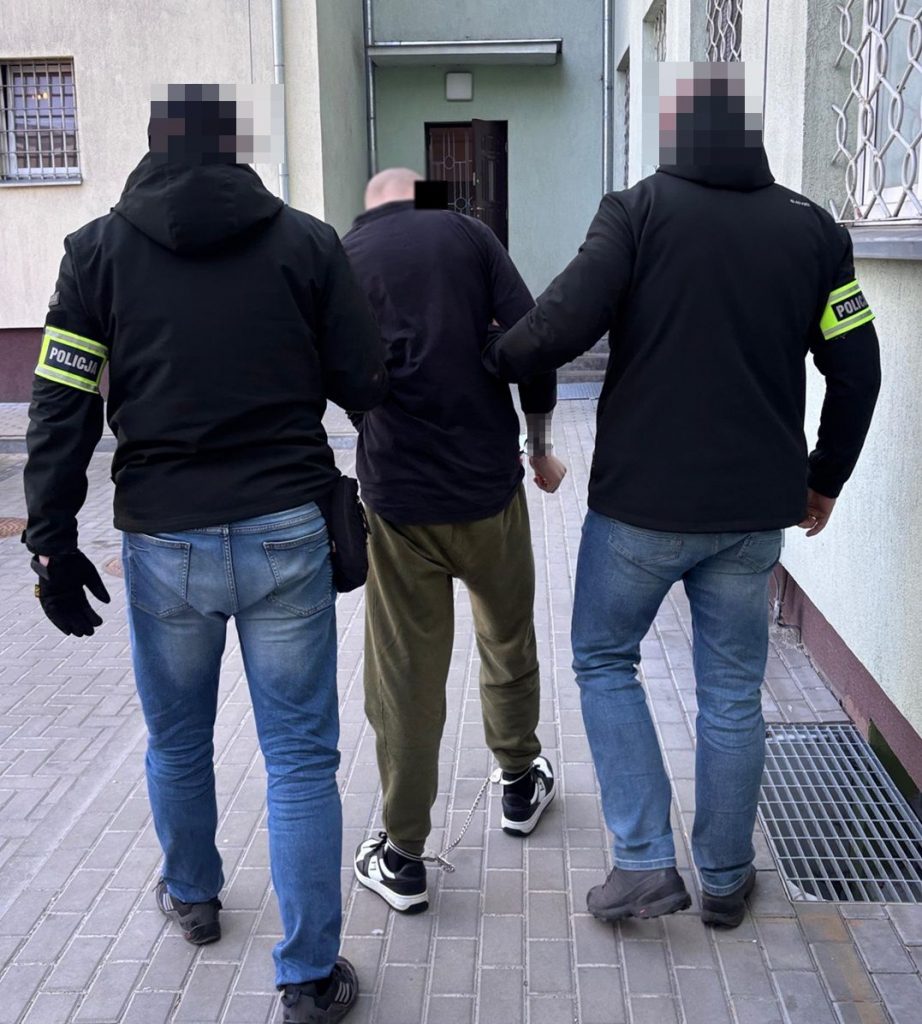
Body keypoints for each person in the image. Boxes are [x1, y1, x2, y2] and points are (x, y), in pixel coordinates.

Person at [483, 63, 881, 929]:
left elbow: (559, 324)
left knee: (603, 659)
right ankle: (726, 881)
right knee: (732, 693)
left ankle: (643, 863)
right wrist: (826, 478)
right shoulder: (813, 231)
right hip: (754, 517)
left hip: (641, 509)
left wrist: (492, 360)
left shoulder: (637, 212)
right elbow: (859, 369)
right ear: (749, 132)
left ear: (675, 132)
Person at [22, 84, 386, 1023]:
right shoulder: (306, 243)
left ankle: (192, 896)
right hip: (286, 528)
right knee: (299, 758)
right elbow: (364, 378)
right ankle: (309, 977)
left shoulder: (96, 252)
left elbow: (61, 402)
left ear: (153, 146)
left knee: (178, 737)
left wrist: (50, 537)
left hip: (164, 538)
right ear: (236, 147)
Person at [341, 168, 566, 913]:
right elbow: (534, 337)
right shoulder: (469, 234)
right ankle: (519, 784)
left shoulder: (345, 254)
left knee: (406, 676)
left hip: (398, 503)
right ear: (426, 195)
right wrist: (539, 447)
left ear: (371, 206)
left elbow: (330, 368)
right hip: (487, 490)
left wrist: (367, 419)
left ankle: (403, 854)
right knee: (507, 637)